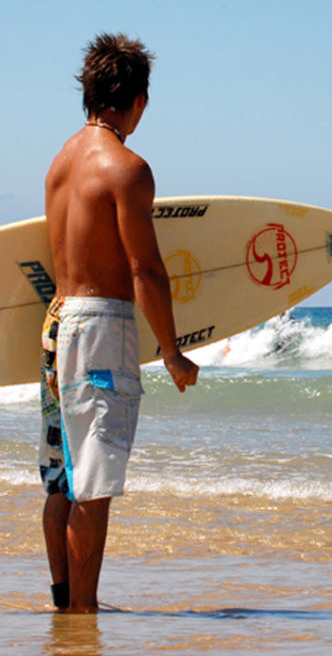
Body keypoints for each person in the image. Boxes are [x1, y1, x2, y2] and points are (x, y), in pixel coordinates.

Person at [39, 33, 199, 613]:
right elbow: (146, 270)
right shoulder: (127, 168)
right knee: (95, 483)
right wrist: (173, 351)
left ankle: (67, 605)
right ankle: (83, 616)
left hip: (57, 322)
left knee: (63, 477)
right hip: (102, 327)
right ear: (138, 101)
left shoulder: (60, 162)